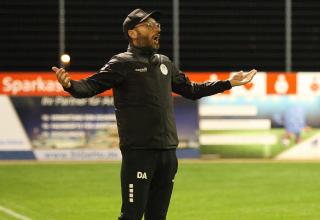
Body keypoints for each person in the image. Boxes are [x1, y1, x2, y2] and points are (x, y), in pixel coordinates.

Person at [52, 8, 257, 220]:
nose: (156, 28)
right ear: (132, 33)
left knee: (157, 217)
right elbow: (90, 86)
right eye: (149, 25)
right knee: (131, 215)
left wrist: (228, 83)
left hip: (168, 153)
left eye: (157, 25)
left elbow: (193, 90)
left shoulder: (165, 62)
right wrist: (70, 86)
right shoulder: (122, 63)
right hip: (139, 153)